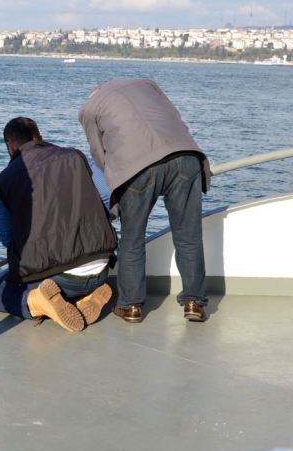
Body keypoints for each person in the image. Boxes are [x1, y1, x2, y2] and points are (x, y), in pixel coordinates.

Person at [78, 79, 211, 324]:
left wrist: (116, 184)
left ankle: (130, 306)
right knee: (188, 236)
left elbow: (98, 154)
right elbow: (176, 118)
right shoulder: (146, 85)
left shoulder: (89, 109)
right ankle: (194, 303)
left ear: (93, 94)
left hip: (137, 168)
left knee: (132, 239)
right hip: (185, 155)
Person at [0, 117, 117, 332]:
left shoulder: (4, 180)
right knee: (68, 277)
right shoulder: (76, 156)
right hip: (101, 268)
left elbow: (6, 236)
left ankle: (37, 301)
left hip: (62, 278)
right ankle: (85, 298)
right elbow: (108, 197)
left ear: (10, 145)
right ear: (40, 138)